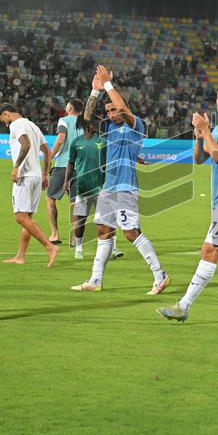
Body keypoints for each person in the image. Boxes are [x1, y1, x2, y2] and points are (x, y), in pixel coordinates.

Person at [157, 85, 218, 322]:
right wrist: (199, 136)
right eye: (217, 96)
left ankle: (184, 306)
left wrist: (205, 130)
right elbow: (201, 158)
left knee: (210, 249)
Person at [72, 65, 169, 294]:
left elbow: (123, 108)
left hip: (125, 188)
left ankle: (160, 275)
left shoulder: (136, 125)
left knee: (130, 233)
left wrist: (108, 85)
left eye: (113, 110)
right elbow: (86, 119)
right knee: (103, 231)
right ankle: (96, 280)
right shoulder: (108, 128)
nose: (110, 114)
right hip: (109, 187)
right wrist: (95, 92)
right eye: (107, 111)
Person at [0, 104, 59, 267]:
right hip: (37, 176)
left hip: (24, 176)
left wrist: (16, 167)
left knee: (20, 216)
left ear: (6, 114)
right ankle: (20, 256)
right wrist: (45, 173)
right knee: (28, 218)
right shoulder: (33, 125)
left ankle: (49, 246)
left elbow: (25, 144)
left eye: (3, 119)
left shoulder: (16, 125)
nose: (4, 123)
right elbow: (46, 150)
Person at [64, 115, 105, 260]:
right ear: (88, 125)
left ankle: (109, 249)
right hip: (83, 185)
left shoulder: (102, 141)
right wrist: (66, 181)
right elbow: (70, 163)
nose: (98, 125)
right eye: (95, 123)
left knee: (104, 219)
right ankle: (79, 248)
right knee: (80, 219)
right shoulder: (76, 142)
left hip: (101, 186)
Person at [45, 98, 81, 246]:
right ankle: (74, 238)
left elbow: (60, 140)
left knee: (50, 198)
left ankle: (54, 233)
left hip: (63, 165)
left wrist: (49, 157)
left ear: (70, 107)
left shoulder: (64, 120)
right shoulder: (85, 122)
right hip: (79, 166)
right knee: (74, 202)